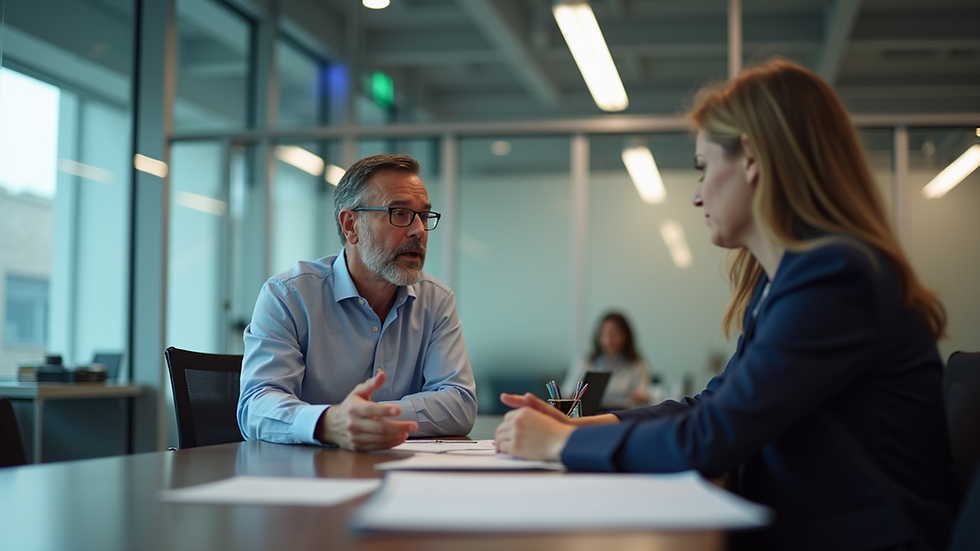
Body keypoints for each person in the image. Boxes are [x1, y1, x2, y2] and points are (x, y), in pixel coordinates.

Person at [494, 60, 960, 551]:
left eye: (702, 167)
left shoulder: (835, 277)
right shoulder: (783, 281)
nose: (696, 196)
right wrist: (584, 424)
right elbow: (713, 404)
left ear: (753, 159)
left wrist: (561, 444)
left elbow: (715, 435)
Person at [238, 154, 477, 452]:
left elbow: (459, 402)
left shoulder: (436, 300)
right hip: (307, 479)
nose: (419, 230)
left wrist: (370, 418)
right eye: (400, 213)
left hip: (402, 480)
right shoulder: (288, 295)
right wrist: (330, 422)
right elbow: (256, 406)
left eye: (423, 216)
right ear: (351, 225)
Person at [562, 312, 651, 410]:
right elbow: (566, 393)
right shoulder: (585, 362)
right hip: (589, 417)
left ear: (626, 336)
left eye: (614, 335)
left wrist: (641, 397)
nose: (608, 340)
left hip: (624, 416)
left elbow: (643, 394)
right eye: (604, 334)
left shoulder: (637, 365)